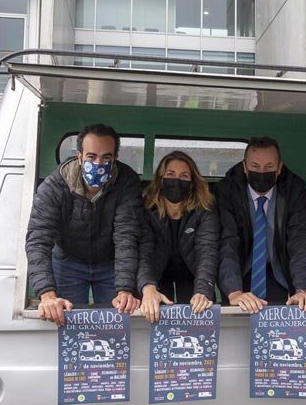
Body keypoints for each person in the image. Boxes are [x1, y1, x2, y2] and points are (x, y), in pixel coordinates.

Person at [25, 123, 144, 325]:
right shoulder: (55, 185)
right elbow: (38, 238)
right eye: (91, 156)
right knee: (66, 322)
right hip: (68, 261)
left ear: (116, 158)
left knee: (116, 323)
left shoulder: (127, 181)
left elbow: (126, 235)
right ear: (79, 156)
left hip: (111, 263)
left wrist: (125, 289)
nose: (98, 163)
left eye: (106, 157)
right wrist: (47, 294)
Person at [216, 136, 306, 314]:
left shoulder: (294, 190)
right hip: (239, 271)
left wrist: (302, 289)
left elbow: (299, 241)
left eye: (269, 167)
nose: (262, 172)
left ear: (279, 168)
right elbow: (227, 243)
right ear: (245, 167)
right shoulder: (227, 191)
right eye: (255, 166)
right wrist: (234, 292)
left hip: (278, 272)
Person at [136, 151, 219, 322]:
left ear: (191, 182)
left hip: (192, 273)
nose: (176, 180)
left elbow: (207, 251)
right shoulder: (146, 207)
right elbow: (144, 252)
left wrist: (203, 291)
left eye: (184, 176)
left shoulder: (204, 208)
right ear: (160, 178)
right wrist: (147, 287)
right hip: (157, 273)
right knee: (155, 315)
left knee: (198, 313)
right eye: (171, 174)